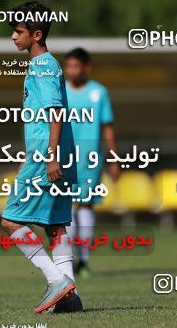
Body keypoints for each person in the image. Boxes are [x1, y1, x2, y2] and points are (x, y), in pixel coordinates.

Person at [0, 1, 82, 314]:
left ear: (36, 34)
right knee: (57, 225)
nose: (13, 37)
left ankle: (56, 280)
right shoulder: (44, 65)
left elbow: (56, 112)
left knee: (9, 221)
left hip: (47, 155)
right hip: (55, 153)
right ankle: (71, 299)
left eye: (18, 31)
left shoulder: (44, 66)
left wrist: (49, 157)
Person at [64, 48, 121, 277]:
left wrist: (114, 160)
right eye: (68, 66)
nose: (71, 71)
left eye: (76, 66)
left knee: (85, 205)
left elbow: (107, 128)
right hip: (63, 157)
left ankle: (84, 261)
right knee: (65, 208)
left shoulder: (99, 92)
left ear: (86, 67)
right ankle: (66, 261)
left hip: (90, 158)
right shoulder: (60, 91)